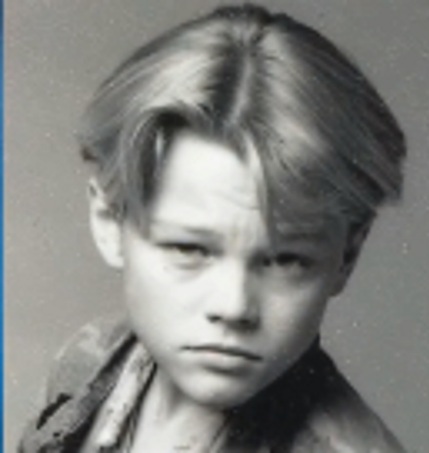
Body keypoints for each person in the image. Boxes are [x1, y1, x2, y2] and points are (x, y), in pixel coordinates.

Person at [19, 4, 407, 452]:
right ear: (109, 222)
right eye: (189, 249)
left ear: (347, 255)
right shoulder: (88, 362)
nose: (234, 306)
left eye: (286, 260)